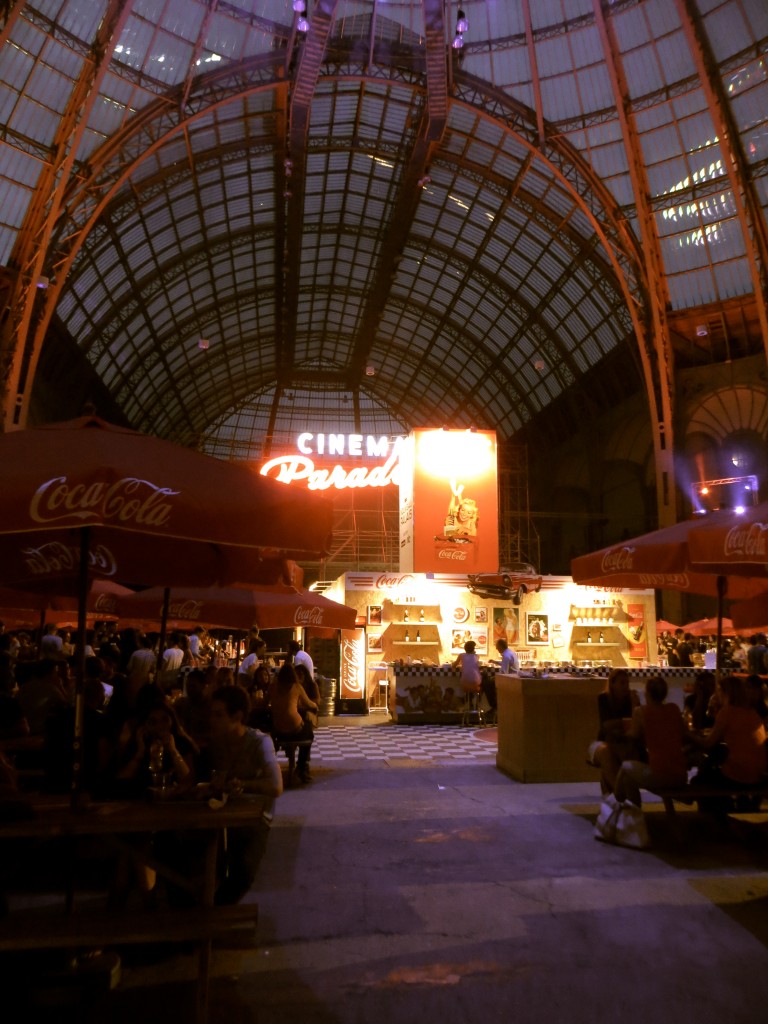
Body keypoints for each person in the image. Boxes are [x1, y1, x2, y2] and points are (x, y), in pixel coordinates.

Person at [204, 684, 283, 904]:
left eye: (218, 714)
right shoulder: (214, 742)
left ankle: (212, 916)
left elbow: (276, 787)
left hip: (254, 817)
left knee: (243, 872)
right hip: (221, 813)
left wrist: (242, 784)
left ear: (237, 716)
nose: (211, 719)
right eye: (211, 713)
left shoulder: (260, 742)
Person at [614, 675, 689, 808]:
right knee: (629, 776)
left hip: (659, 774)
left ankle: (622, 800)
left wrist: (633, 706)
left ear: (647, 692)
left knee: (626, 767)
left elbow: (633, 734)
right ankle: (630, 807)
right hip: (680, 776)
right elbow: (683, 734)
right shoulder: (674, 709)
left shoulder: (642, 711)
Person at [690, 674, 767, 795]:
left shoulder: (727, 711)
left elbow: (708, 743)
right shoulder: (752, 712)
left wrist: (688, 734)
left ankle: (713, 810)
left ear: (725, 692)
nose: (716, 694)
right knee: (715, 758)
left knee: (700, 779)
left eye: (719, 691)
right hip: (758, 772)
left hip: (739, 775)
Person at [588, 668, 640, 795]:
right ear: (612, 683)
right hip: (607, 741)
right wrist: (626, 722)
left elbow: (637, 722)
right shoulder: (604, 698)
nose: (625, 687)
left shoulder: (631, 699)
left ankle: (617, 795)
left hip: (624, 741)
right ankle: (621, 793)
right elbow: (607, 725)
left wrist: (635, 705)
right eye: (622, 683)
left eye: (627, 683)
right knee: (610, 754)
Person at [270, 662, 317, 784]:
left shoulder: (273, 686)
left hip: (278, 731)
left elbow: (265, 702)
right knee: (309, 734)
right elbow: (309, 704)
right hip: (295, 728)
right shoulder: (297, 687)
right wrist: (315, 705)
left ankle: (278, 766)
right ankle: (301, 768)